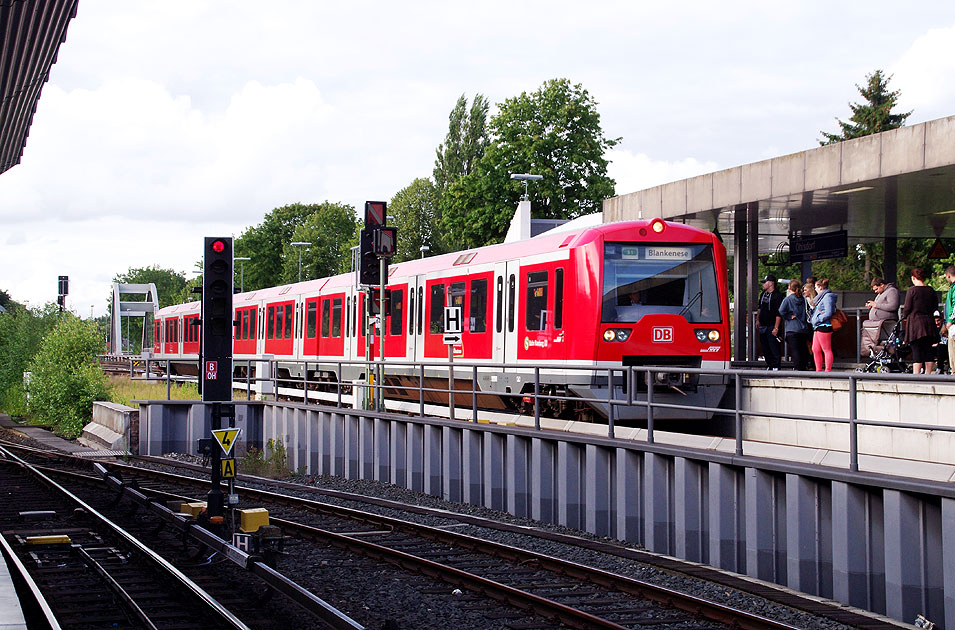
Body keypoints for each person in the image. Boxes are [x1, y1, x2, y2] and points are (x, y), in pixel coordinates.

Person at [902, 267, 939, 375]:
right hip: (929, 323)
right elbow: (935, 306)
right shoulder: (930, 290)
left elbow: (907, 308)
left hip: (915, 324)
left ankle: (916, 375)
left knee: (916, 349)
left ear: (913, 278)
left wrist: (905, 316)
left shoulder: (912, 290)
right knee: (928, 349)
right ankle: (928, 375)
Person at [862, 277, 900, 356]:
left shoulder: (892, 291)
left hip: (887, 323)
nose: (876, 292)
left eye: (876, 289)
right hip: (878, 324)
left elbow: (893, 306)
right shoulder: (881, 293)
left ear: (882, 285)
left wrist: (876, 305)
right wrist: (871, 306)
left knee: (887, 342)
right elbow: (880, 306)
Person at [778, 279, 811, 370]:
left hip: (792, 328)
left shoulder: (788, 300)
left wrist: (788, 316)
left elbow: (781, 311)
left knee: (795, 350)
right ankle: (804, 366)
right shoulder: (803, 300)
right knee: (803, 349)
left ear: (789, 288)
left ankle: (797, 368)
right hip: (803, 328)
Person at [756, 274, 783, 370]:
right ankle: (769, 364)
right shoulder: (763, 294)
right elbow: (760, 308)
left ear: (771, 283)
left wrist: (776, 327)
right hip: (763, 324)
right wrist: (758, 319)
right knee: (764, 345)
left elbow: (778, 313)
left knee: (773, 345)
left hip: (772, 324)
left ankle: (776, 365)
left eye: (765, 282)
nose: (763, 284)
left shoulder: (778, 295)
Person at [810, 278, 837, 372]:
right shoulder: (821, 297)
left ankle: (827, 370)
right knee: (815, 349)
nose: (815, 290)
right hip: (817, 326)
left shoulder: (827, 297)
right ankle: (818, 370)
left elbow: (829, 312)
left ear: (820, 287)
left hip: (824, 325)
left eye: (816, 287)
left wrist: (818, 319)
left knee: (826, 349)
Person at [944, 266, 955, 375]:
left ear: (948, 275)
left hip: (953, 323)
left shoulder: (954, 287)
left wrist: (950, 320)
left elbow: (954, 304)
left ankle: (954, 371)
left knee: (952, 349)